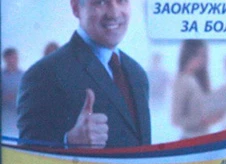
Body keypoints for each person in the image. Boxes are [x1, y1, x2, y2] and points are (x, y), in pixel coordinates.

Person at [16, 0, 150, 148]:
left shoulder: (137, 73)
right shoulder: (43, 74)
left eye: (121, 1)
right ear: (75, 8)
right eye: (101, 2)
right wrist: (69, 142)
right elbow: (27, 157)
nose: (114, 13)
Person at [2, 47, 23, 138]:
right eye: (12, 58)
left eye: (16, 57)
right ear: (6, 59)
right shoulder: (2, 76)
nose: (15, 60)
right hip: (5, 117)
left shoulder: (24, 76)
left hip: (20, 117)